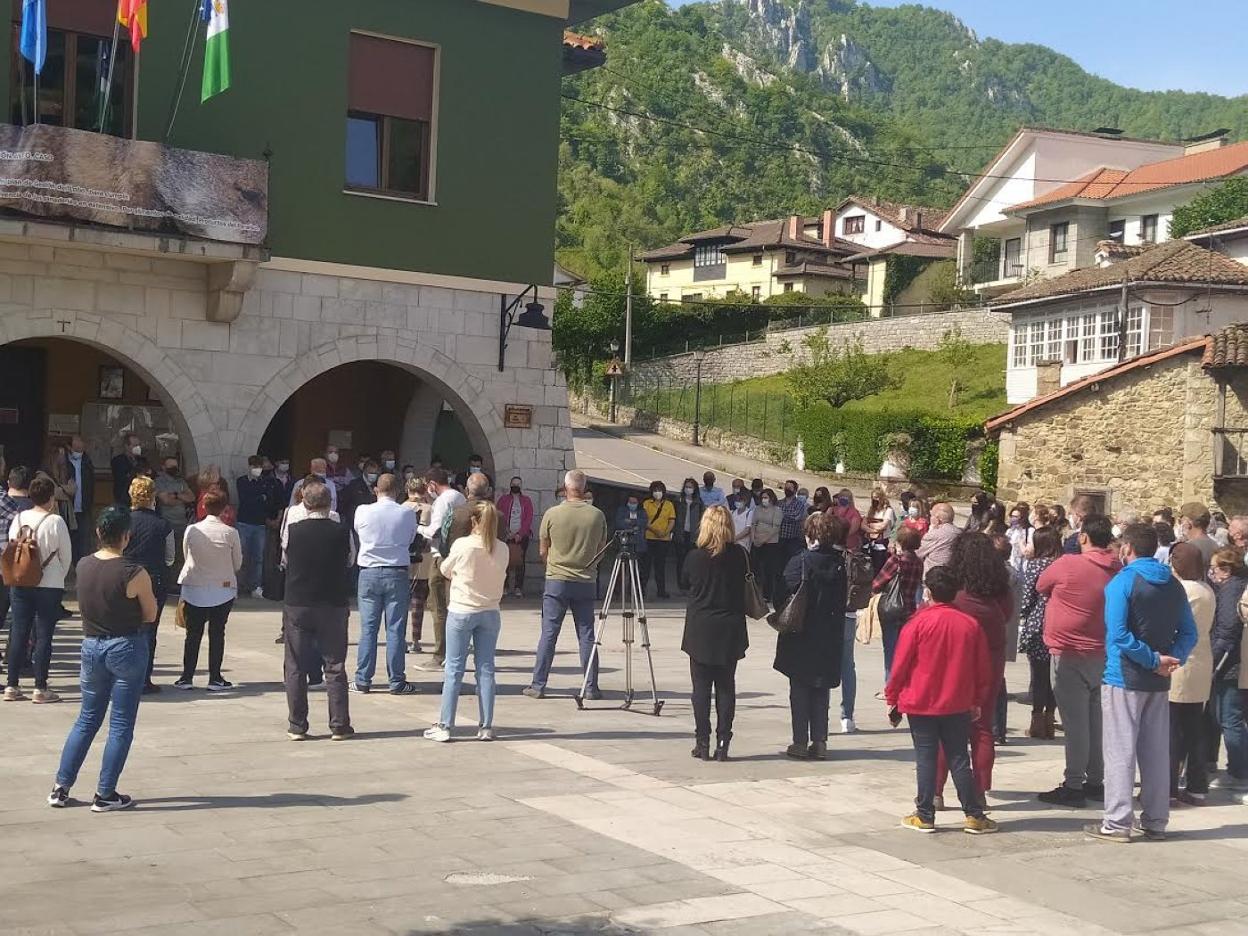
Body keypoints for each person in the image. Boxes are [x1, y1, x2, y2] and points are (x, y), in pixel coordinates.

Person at [1087, 522, 1197, 843]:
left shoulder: (1122, 582)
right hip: (1159, 680)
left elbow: (1119, 633)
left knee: (1120, 750)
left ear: (1127, 549)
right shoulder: (1175, 585)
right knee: (1155, 751)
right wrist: (1171, 659)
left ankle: (1118, 821)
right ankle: (1156, 820)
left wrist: (1151, 659)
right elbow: (1189, 632)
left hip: (1123, 676)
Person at [46, 507, 158, 812]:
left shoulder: (83, 565)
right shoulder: (134, 572)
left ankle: (61, 786)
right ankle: (105, 792)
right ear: (126, 536)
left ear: (98, 533)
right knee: (120, 723)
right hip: (126, 645)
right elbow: (150, 614)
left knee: (86, 718)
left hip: (91, 644)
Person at [886, 566, 998, 835]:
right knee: (959, 757)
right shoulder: (970, 625)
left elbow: (899, 665)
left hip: (920, 700)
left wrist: (892, 696)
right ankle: (973, 814)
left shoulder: (918, 623)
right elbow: (983, 669)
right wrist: (977, 700)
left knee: (925, 758)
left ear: (928, 592)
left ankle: (925, 813)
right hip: (957, 701)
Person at [1035, 514, 1119, 807]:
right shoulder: (1116, 567)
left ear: (1083, 537)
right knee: (1095, 720)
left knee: (1075, 723)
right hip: (1102, 651)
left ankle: (1074, 784)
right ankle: (1096, 779)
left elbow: (1041, 585)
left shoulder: (1068, 564)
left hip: (1069, 650)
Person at [933, 532, 1014, 808]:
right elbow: (1008, 613)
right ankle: (979, 791)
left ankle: (935, 791)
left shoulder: (953, 586)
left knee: (946, 724)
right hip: (991, 654)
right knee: (982, 727)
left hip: (955, 655)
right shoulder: (998, 585)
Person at [425, 500, 508, 742]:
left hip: (462, 609)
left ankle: (445, 724)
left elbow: (446, 570)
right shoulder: (501, 548)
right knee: (486, 669)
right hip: (490, 611)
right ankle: (486, 725)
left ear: (473, 522)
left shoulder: (463, 545)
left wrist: (439, 556)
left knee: (454, 668)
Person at [525, 470, 607, 700]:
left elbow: (543, 548)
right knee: (587, 635)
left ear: (565, 487)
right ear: (585, 488)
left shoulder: (552, 514)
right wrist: (589, 565)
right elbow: (602, 547)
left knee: (549, 634)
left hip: (557, 580)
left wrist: (552, 565)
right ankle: (591, 687)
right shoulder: (596, 515)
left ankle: (538, 685)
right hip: (585, 580)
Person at [282, 480, 353, 741]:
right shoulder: (341, 530)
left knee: (296, 665)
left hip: (298, 600)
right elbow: (350, 559)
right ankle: (339, 724)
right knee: (334, 664)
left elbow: (286, 557)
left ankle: (297, 724)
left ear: (304, 502)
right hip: (333, 602)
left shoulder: (294, 528)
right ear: (330, 503)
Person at [774, 512, 848, 761]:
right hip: (829, 633)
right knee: (821, 688)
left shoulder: (801, 561)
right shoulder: (840, 563)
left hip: (802, 632)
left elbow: (780, 593)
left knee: (800, 687)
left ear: (810, 534)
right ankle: (820, 741)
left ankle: (799, 741)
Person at [682, 506, 748, 761]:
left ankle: (702, 741)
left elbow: (684, 582)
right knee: (726, 686)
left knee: (700, 688)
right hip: (729, 626)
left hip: (701, 626)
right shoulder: (739, 555)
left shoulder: (695, 557)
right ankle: (723, 741)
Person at [4, 476, 73, 703]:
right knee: (44, 635)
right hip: (49, 584)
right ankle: (40, 686)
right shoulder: (55, 522)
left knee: (19, 632)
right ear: (51, 498)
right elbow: (66, 555)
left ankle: (12, 685)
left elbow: (10, 545)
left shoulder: (20, 517)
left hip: (21, 582)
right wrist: (57, 576)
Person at [352, 474, 419, 695]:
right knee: (396, 630)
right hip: (396, 572)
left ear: (375, 490)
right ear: (398, 491)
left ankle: (363, 680)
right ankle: (397, 681)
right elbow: (410, 539)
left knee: (368, 630)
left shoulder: (363, 510)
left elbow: (359, 532)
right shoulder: (407, 513)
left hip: (369, 572)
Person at [175, 489, 242, 691]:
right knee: (217, 633)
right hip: (222, 589)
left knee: (193, 634)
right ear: (224, 509)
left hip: (195, 588)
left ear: (204, 506)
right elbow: (237, 563)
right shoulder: (231, 533)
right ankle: (215, 677)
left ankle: (187, 677)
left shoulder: (191, 529)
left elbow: (187, 555)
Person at [1168, 542, 1215, 805]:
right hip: (1201, 661)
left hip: (1180, 661)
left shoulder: (1182, 591)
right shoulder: (1207, 589)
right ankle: (1197, 786)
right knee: (1195, 728)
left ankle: (1168, 788)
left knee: (1172, 730)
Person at [123, 476, 173, 695]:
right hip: (154, 579)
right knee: (148, 630)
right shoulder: (163, 524)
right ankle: (144, 678)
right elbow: (170, 557)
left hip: (125, 577)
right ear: (153, 496)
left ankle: (123, 675)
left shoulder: (122, 521)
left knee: (123, 627)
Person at [416, 468, 466, 668]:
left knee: (437, 605)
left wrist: (417, 528)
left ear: (432, 484)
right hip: (458, 556)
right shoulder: (459, 497)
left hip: (441, 557)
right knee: (454, 605)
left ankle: (440, 654)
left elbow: (435, 530)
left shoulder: (443, 500)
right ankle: (455, 651)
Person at [1208, 547, 1248, 794]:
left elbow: (1226, 632)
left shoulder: (1231, 589)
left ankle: (1239, 770)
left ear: (1226, 570)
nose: (1211, 573)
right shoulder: (1234, 586)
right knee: (1229, 717)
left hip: (1229, 665)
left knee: (1230, 718)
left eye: (1214, 568)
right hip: (1232, 663)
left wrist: (1211, 661)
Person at [1018, 526, 1062, 740]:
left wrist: (1023, 614)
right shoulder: (1064, 563)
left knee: (1038, 674)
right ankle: (1050, 718)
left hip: (1039, 622)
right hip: (1060, 622)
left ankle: (1037, 719)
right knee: (1054, 675)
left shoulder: (1036, 565)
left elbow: (1027, 597)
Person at [872, 526, 924, 684]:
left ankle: (890, 686)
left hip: (892, 608)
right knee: (904, 651)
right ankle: (903, 683)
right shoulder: (918, 562)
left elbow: (878, 583)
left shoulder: (896, 560)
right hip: (908, 609)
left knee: (891, 651)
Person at [236, 456, 278, 599]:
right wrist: (260, 497)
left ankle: (255, 586)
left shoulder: (265, 482)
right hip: (244, 522)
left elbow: (269, 501)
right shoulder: (242, 481)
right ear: (249, 466)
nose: (257, 469)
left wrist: (260, 498)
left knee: (258, 557)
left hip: (259, 524)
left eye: (259, 466)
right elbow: (245, 499)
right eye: (254, 466)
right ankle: (237, 585)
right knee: (240, 556)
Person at [0, 467, 33, 641]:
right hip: (18, 565)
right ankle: (15, 653)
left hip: (4, 561)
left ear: (9, 482)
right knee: (20, 615)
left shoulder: (6, 500)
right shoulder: (30, 508)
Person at [403, 477, 433, 652]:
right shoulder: (431, 509)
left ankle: (401, 639)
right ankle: (416, 640)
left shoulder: (400, 508)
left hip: (403, 560)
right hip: (424, 562)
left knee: (400, 603)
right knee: (418, 602)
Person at [155, 455, 194, 582]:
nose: (174, 468)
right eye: (171, 466)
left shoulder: (181, 481)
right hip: (167, 523)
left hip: (181, 524)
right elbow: (166, 500)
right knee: (168, 556)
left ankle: (177, 582)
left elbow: (191, 497)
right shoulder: (160, 481)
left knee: (181, 555)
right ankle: (167, 582)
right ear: (163, 467)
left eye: (175, 466)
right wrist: (181, 498)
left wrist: (176, 495)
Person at [497, 477, 534, 598]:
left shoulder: (526, 501)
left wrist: (520, 534)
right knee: (504, 561)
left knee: (520, 562)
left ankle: (518, 587)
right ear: (510, 485)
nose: (515, 486)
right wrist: (506, 531)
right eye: (513, 484)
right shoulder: (503, 500)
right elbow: (499, 515)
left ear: (521, 486)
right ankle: (505, 587)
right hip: (506, 535)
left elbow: (528, 518)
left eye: (518, 484)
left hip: (521, 536)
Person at [64, 435, 95, 564]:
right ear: (70, 445)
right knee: (67, 539)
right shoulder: (64, 461)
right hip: (68, 507)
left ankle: (80, 567)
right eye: (78, 441)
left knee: (83, 540)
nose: (82, 443)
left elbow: (91, 484)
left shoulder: (87, 461)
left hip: (83, 507)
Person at [641, 482, 675, 600]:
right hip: (650, 537)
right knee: (646, 565)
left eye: (659, 490)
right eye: (655, 490)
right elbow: (644, 520)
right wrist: (654, 530)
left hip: (663, 539)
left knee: (660, 566)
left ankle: (661, 590)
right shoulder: (646, 503)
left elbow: (671, 520)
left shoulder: (669, 504)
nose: (657, 493)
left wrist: (665, 532)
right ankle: (642, 589)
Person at [751, 487, 783, 601]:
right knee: (756, 568)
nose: (764, 500)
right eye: (762, 498)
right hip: (756, 542)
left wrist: (763, 540)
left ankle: (767, 594)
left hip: (770, 543)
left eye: (766, 498)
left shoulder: (777, 510)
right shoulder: (757, 509)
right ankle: (754, 592)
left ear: (771, 498)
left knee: (768, 570)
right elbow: (754, 524)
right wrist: (754, 538)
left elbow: (776, 528)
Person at [674, 480, 704, 593]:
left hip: (693, 536)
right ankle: (681, 585)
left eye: (690, 487)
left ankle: (690, 584)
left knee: (692, 561)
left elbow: (702, 519)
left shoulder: (698, 502)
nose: (688, 489)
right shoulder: (678, 500)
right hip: (681, 533)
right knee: (680, 561)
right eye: (686, 487)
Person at [917, 502, 960, 575]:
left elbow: (918, 553)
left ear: (937, 519)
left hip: (933, 577)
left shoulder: (934, 535)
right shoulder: (959, 532)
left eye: (931, 515)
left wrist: (932, 528)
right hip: (953, 575)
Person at [862, 488, 896, 575]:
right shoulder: (871, 510)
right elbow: (863, 525)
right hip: (869, 540)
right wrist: (873, 530)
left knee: (879, 565)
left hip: (881, 541)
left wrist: (870, 525)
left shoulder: (888, 511)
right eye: (873, 497)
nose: (875, 500)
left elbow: (883, 526)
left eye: (877, 497)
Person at [1178, 502, 1217, 571]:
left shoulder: (1187, 549)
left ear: (1188, 523)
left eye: (1181, 520)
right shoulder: (1216, 546)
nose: (1181, 524)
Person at [778, 480, 807, 562]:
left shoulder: (799, 504)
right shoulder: (779, 503)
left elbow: (796, 517)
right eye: (786, 487)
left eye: (790, 487)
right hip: (779, 537)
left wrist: (781, 515)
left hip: (792, 539)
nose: (787, 489)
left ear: (795, 490)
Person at [110, 433, 143, 506]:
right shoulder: (118, 461)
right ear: (127, 446)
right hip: (124, 499)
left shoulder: (142, 461)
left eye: (139, 445)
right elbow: (122, 478)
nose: (137, 447)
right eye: (134, 445)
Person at [1006, 502, 1033, 572]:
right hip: (1008, 564)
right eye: (1012, 516)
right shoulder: (1009, 530)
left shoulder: (1029, 531)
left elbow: (1029, 552)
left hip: (1021, 566)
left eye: (1016, 517)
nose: (1013, 519)